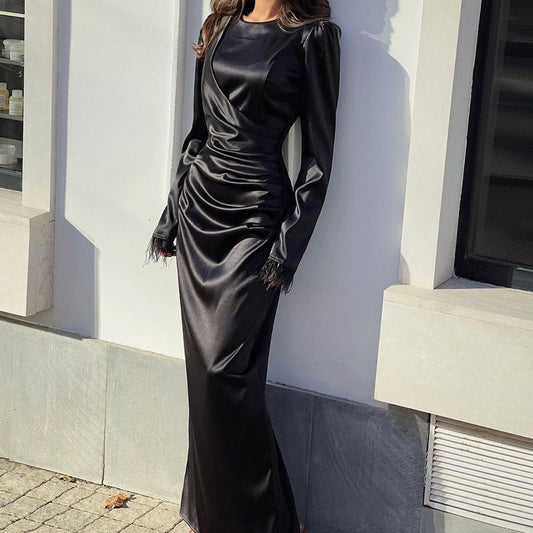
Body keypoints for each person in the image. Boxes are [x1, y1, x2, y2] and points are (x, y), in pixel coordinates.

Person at [144, 1, 341, 531]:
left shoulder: (313, 37)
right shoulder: (220, 24)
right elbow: (197, 135)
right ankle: (229, 517)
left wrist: (288, 247)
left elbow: (319, 158)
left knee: (223, 372)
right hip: (200, 213)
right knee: (210, 381)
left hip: (256, 219)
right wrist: (171, 216)